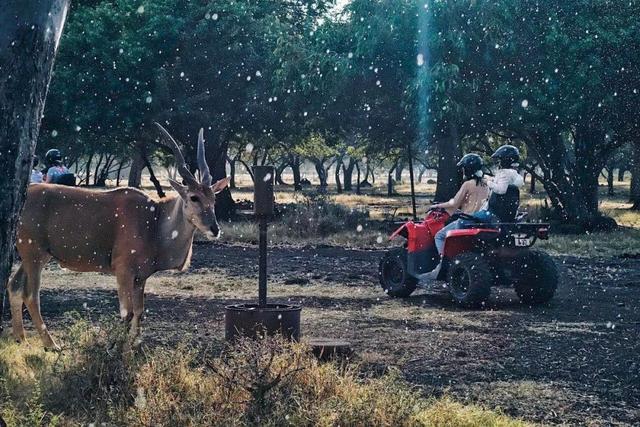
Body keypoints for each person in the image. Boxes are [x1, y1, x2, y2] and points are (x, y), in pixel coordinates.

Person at [418, 153, 489, 281]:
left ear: (467, 169)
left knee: (439, 235)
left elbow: (454, 203)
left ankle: (442, 263)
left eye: (463, 168)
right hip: (482, 221)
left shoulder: (468, 184)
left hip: (467, 221)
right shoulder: (486, 183)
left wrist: (437, 206)